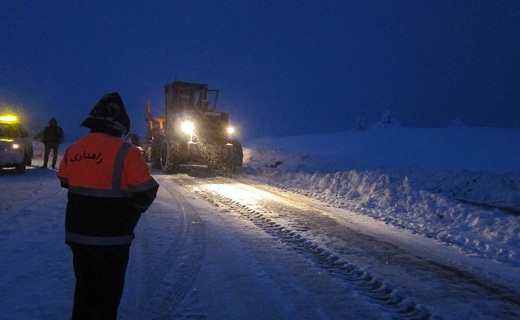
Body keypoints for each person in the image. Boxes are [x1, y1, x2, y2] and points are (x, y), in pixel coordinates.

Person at [57, 93, 159, 320]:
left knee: (84, 290)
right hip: (112, 240)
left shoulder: (74, 149)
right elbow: (145, 192)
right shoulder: (127, 152)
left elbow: (65, 181)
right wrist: (128, 214)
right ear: (120, 122)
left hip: (78, 236)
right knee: (106, 297)